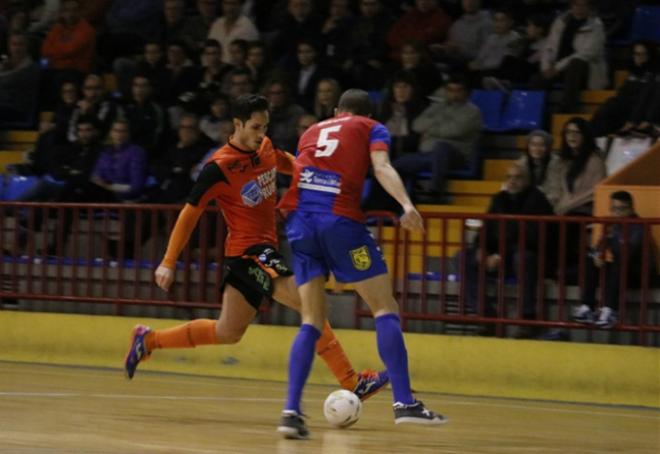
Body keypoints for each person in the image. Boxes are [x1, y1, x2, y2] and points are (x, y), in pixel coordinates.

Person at [123, 94, 389, 406]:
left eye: (264, 126)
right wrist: (168, 261)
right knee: (310, 306)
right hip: (250, 253)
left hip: (255, 254)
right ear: (237, 125)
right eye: (254, 127)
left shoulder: (263, 147)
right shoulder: (218, 167)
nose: (260, 133)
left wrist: (316, 176)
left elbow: (288, 162)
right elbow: (189, 214)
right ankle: (352, 381)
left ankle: (149, 340)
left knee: (228, 332)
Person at [276, 89, 446, 439]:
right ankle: (404, 403)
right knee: (385, 308)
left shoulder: (312, 130)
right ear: (368, 113)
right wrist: (406, 205)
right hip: (339, 221)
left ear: (337, 111)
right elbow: (382, 167)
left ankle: (291, 412)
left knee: (311, 320)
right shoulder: (373, 127)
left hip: (299, 223)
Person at [464, 163, 554, 337]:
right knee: (463, 257)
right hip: (499, 256)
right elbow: (486, 228)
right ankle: (486, 316)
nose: (513, 181)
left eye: (518, 177)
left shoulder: (537, 200)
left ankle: (527, 319)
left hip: (530, 256)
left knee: (523, 258)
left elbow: (531, 237)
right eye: (509, 177)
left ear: (527, 180)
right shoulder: (499, 199)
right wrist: (481, 249)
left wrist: (500, 255)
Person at [573, 191, 656, 328]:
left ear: (631, 209)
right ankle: (587, 307)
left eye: (621, 209)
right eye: (614, 209)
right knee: (590, 260)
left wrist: (611, 237)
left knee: (618, 263)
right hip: (620, 272)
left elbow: (626, 253)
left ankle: (611, 311)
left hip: (639, 274)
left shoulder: (639, 227)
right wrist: (597, 256)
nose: (616, 213)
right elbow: (598, 247)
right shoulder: (613, 225)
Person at [533, 0, 607, 113]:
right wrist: (546, 67)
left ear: (589, 7)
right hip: (559, 68)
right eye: (577, 4)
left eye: (584, 5)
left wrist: (557, 68)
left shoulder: (596, 25)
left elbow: (587, 53)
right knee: (537, 79)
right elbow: (550, 46)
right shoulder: (561, 21)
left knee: (576, 64)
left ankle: (567, 111)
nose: (580, 8)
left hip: (586, 70)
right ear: (571, 6)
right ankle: (537, 118)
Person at [516, 130, 565, 210]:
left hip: (549, 207)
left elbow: (556, 193)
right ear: (528, 146)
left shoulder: (556, 163)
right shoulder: (521, 163)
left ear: (548, 148)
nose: (537, 148)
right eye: (533, 144)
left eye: (542, 145)